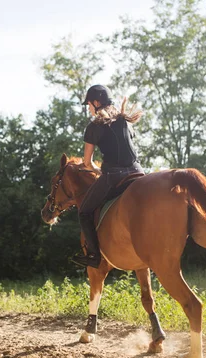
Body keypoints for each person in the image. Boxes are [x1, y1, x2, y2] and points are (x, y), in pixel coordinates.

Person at [71, 84, 145, 268]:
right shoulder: (125, 120)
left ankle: (94, 256)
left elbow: (87, 163)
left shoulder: (94, 126)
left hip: (114, 176)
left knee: (84, 212)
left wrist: (97, 171)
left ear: (96, 102)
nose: (88, 108)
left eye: (88, 104)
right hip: (138, 173)